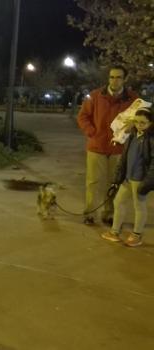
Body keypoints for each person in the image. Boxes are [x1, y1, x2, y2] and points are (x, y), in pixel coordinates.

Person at [77, 65, 138, 226]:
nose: (114, 80)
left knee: (114, 182)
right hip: (96, 147)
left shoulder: (133, 99)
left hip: (118, 149)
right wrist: (92, 132)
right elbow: (83, 116)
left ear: (125, 79)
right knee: (93, 182)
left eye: (118, 77)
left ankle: (109, 213)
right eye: (111, 77)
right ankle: (90, 213)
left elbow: (140, 121)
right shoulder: (95, 96)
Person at [101, 108, 154, 247]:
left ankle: (137, 235)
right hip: (127, 178)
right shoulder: (132, 135)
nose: (139, 125)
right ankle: (114, 232)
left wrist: (147, 182)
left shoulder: (151, 138)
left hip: (140, 179)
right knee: (118, 202)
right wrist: (118, 177)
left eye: (143, 122)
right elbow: (124, 158)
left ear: (150, 123)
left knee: (139, 206)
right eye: (136, 122)